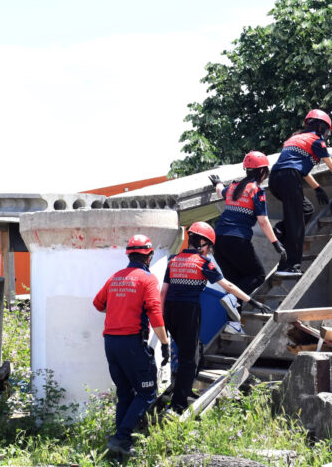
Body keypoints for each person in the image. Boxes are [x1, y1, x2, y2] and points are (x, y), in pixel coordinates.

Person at [160, 221, 269, 413]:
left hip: (169, 312)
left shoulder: (173, 261)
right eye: (208, 246)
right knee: (188, 359)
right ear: (202, 242)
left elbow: (163, 293)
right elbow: (229, 286)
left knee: (195, 350)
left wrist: (161, 321)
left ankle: (184, 391)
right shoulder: (203, 263)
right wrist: (252, 301)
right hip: (188, 311)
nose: (209, 251)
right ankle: (177, 406)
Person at [92, 234, 170, 456]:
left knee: (125, 394)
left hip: (111, 343)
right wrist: (165, 343)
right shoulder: (147, 279)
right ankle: (121, 437)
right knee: (147, 392)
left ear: (129, 255)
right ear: (149, 256)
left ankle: (119, 447)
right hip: (132, 344)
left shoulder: (115, 277)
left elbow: (98, 303)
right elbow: (155, 312)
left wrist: (119, 308)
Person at [268, 109, 332, 273]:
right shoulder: (317, 141)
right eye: (326, 130)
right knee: (297, 224)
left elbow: (301, 169)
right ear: (321, 127)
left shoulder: (294, 138)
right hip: (289, 178)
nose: (326, 134)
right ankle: (291, 266)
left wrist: (317, 188)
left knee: (306, 209)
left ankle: (280, 230)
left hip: (275, 179)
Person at [207, 151, 287, 295]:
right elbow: (263, 222)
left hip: (218, 239)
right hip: (237, 239)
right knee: (258, 276)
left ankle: (233, 305)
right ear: (262, 171)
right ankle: (231, 300)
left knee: (236, 282)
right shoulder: (256, 191)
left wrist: (217, 183)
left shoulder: (233, 187)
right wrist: (276, 244)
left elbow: (220, 191)